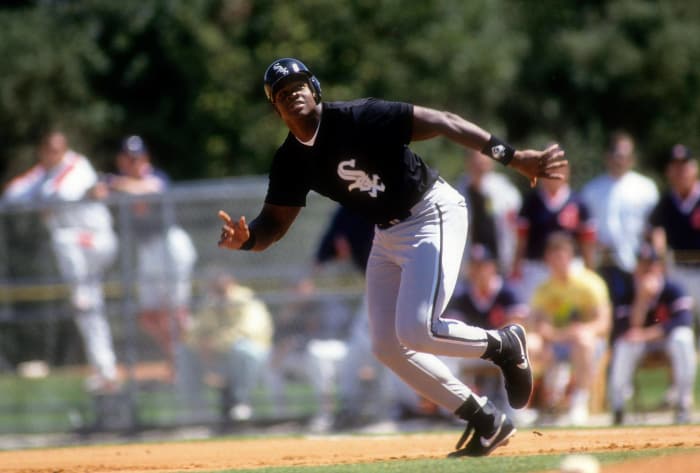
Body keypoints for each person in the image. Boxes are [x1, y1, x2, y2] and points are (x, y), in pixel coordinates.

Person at [217, 58, 566, 456]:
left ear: (315, 90)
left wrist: (511, 155)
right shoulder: (291, 160)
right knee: (385, 344)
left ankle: (504, 343)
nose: (292, 93)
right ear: (276, 110)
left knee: (417, 329)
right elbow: (273, 227)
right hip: (387, 233)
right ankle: (485, 419)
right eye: (281, 93)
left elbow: (443, 120)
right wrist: (247, 239)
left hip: (430, 210)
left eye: (298, 85)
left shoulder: (357, 116)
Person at [2, 131, 120, 393]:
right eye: (49, 151)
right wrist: (40, 192)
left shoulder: (77, 165)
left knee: (62, 240)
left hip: (96, 241)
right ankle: (105, 370)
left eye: (59, 150)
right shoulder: (43, 173)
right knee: (90, 312)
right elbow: (12, 194)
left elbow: (62, 193)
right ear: (42, 153)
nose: (55, 156)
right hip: (79, 248)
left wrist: (43, 200)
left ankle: (80, 292)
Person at [101, 136, 197, 373]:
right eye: (129, 158)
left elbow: (150, 188)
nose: (135, 163)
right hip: (148, 250)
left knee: (176, 312)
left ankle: (189, 363)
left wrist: (113, 183)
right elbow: (96, 190)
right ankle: (177, 357)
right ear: (121, 160)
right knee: (149, 315)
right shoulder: (120, 184)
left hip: (169, 244)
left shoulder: (154, 177)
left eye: (138, 157)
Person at [607, 244, 696, 425]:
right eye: (643, 264)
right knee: (624, 344)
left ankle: (683, 403)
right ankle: (618, 407)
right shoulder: (627, 292)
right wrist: (641, 299)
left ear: (660, 267)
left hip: (665, 341)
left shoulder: (673, 289)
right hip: (641, 345)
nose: (648, 269)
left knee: (683, 338)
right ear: (636, 267)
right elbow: (625, 328)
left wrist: (647, 334)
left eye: (652, 265)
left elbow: (684, 320)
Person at [529, 232, 611, 426]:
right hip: (556, 343)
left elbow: (604, 324)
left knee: (583, 339)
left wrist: (579, 331)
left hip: (587, 344)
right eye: (553, 256)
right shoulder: (544, 289)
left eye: (562, 256)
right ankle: (534, 403)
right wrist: (551, 334)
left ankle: (578, 402)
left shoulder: (590, 283)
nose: (558, 261)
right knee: (529, 344)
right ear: (547, 259)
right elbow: (536, 323)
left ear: (571, 256)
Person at [174, 271, 274, 424]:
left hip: (252, 356)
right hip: (217, 357)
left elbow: (247, 332)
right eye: (214, 287)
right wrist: (201, 345)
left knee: (242, 350)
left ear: (230, 284)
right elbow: (195, 332)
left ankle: (241, 403)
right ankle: (196, 410)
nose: (217, 291)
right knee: (184, 352)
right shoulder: (211, 303)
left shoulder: (247, 300)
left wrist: (214, 343)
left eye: (220, 287)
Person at [442, 244, 530, 418]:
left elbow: (517, 326)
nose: (478, 271)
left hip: (501, 352)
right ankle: (457, 411)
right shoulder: (462, 294)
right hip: (473, 352)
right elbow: (452, 328)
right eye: (474, 266)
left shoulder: (507, 291)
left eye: (482, 265)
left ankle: (516, 410)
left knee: (526, 348)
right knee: (444, 356)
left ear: (492, 267)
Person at [581, 131, 659, 288]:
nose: (620, 160)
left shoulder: (646, 188)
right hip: (599, 264)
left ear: (632, 158)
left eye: (625, 155)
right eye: (617, 155)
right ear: (607, 156)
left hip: (635, 263)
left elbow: (654, 230)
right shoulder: (590, 190)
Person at [512, 164, 596, 301]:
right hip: (537, 268)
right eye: (548, 170)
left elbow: (587, 241)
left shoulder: (578, 202)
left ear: (567, 171)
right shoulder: (531, 202)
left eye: (558, 170)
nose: (553, 174)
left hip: (571, 267)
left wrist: (589, 270)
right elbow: (521, 239)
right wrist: (516, 267)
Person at [647, 144, 700, 336]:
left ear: (694, 168)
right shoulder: (666, 202)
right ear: (668, 171)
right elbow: (657, 234)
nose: (680, 172)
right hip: (678, 270)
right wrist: (660, 261)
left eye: (684, 166)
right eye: (675, 167)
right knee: (682, 325)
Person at [453, 149, 522, 275]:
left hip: (500, 258)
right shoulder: (458, 190)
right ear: (468, 163)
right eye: (476, 163)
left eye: (483, 163)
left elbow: (516, 225)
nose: (480, 168)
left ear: (491, 164)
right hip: (469, 263)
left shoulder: (505, 190)